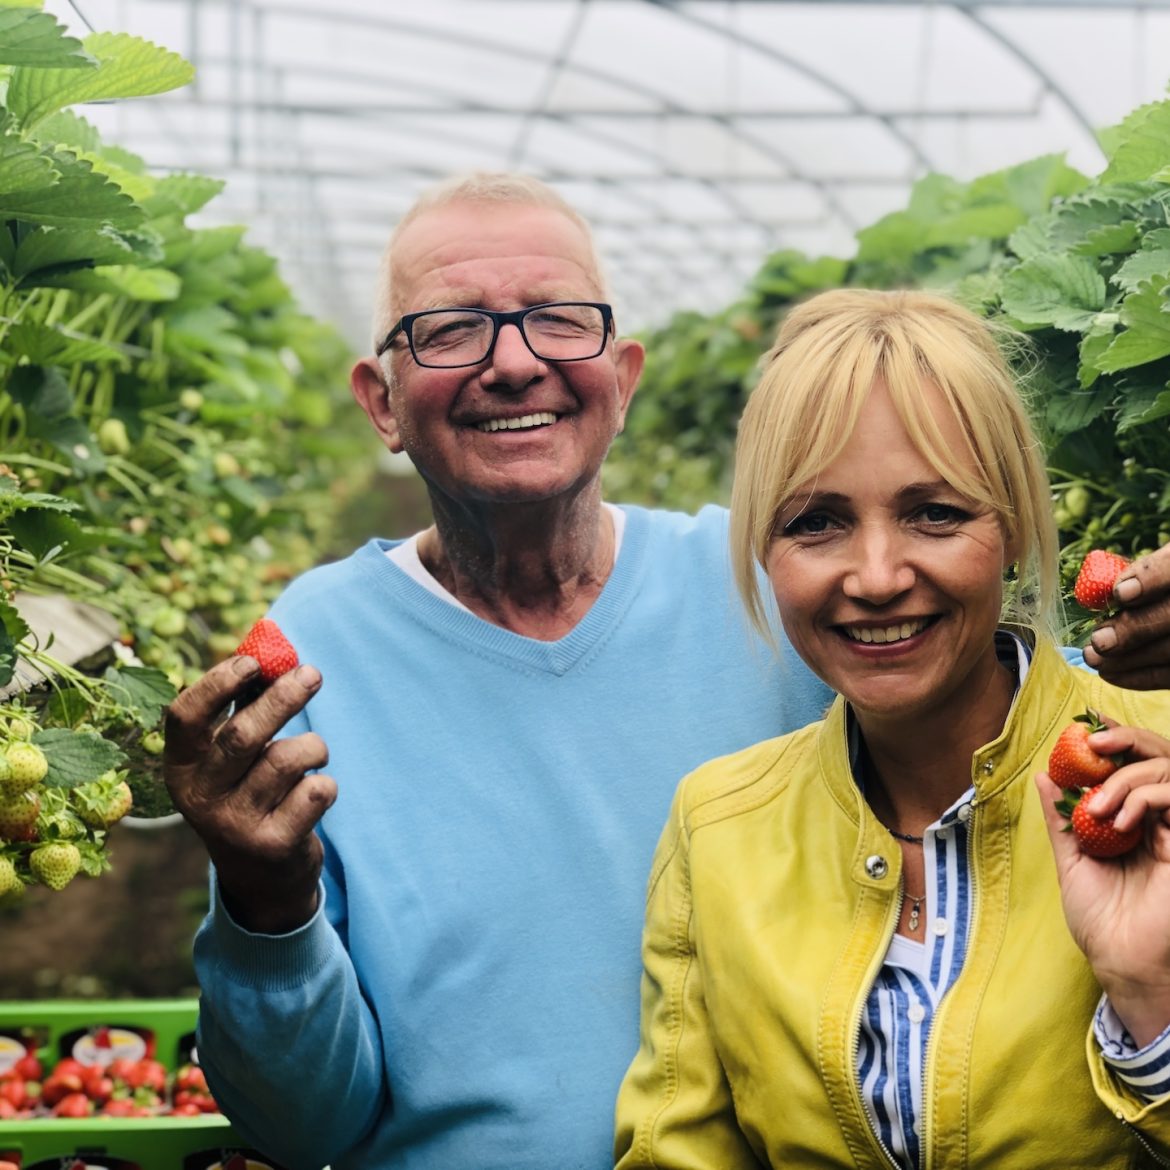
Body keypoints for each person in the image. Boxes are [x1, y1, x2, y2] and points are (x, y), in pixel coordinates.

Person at [163, 175, 1170, 1170]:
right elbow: (304, 1129)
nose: (513, 364)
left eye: (559, 321)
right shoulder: (311, 658)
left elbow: (1011, 706)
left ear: (624, 378)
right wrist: (265, 905)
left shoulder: (775, 589)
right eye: (451, 330)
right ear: (379, 402)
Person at [613, 289, 1170, 1169]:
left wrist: (1153, 999)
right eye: (816, 523)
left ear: (1017, 527)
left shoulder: (1158, 774)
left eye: (935, 513)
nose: (876, 576)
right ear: (764, 547)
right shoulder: (719, 827)